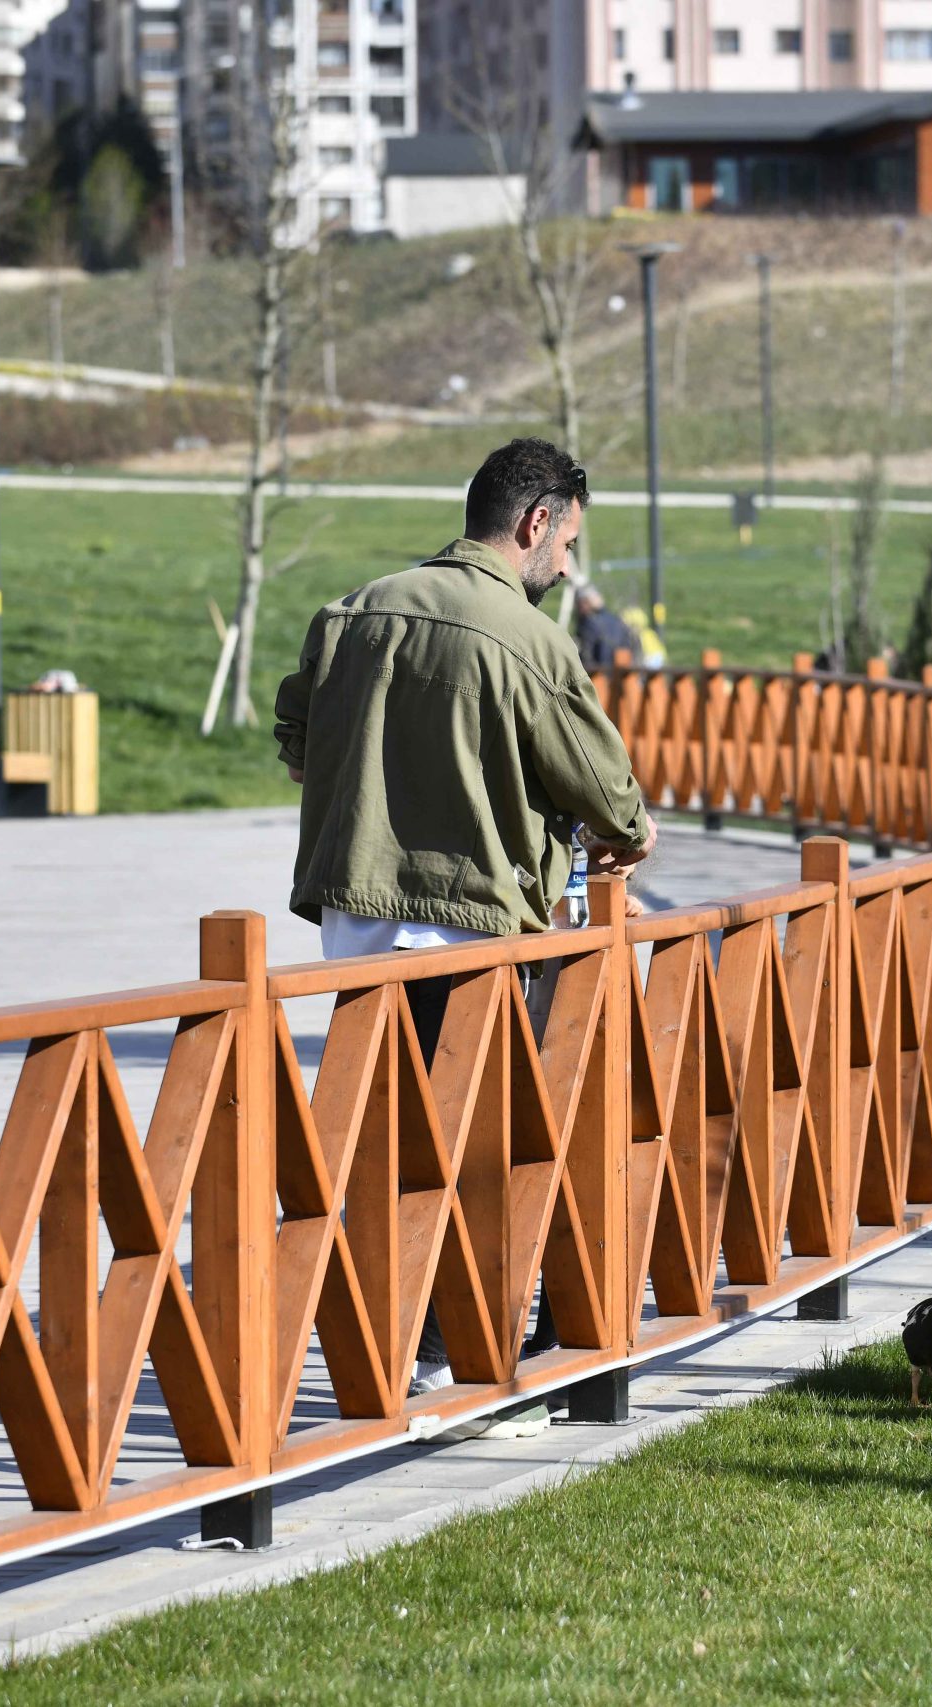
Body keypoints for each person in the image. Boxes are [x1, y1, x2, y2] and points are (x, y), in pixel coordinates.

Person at [274, 436, 656, 1419]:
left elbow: (295, 736)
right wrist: (624, 839)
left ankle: (387, 1341)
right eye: (567, 543)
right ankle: (449, 1355)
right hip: (469, 935)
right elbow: (606, 787)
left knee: (383, 1145)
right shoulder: (524, 639)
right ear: (535, 524)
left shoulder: (352, 613)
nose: (566, 566)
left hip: (354, 935)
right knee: (480, 1151)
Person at [571, 577, 638, 676]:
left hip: (598, 679)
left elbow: (585, 658)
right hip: (621, 678)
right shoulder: (618, 621)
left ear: (584, 602)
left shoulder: (588, 624)